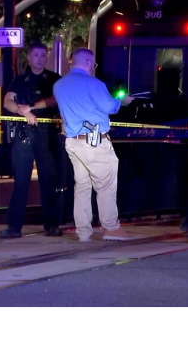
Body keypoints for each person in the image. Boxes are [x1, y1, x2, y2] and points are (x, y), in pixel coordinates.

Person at [53, 47, 136, 242]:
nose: (94, 67)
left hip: (73, 142)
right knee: (105, 185)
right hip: (95, 142)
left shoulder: (59, 85)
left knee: (82, 186)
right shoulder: (94, 83)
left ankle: (83, 231)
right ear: (88, 62)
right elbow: (110, 107)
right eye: (94, 64)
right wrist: (121, 100)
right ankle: (111, 228)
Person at [0, 41, 63, 239]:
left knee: (49, 181)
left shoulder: (54, 79)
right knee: (20, 182)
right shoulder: (20, 79)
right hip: (24, 134)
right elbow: (7, 101)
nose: (39, 59)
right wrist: (21, 110)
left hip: (46, 134)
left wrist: (31, 107)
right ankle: (14, 227)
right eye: (36, 55)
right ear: (28, 57)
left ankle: (51, 226)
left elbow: (57, 98)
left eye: (43, 55)